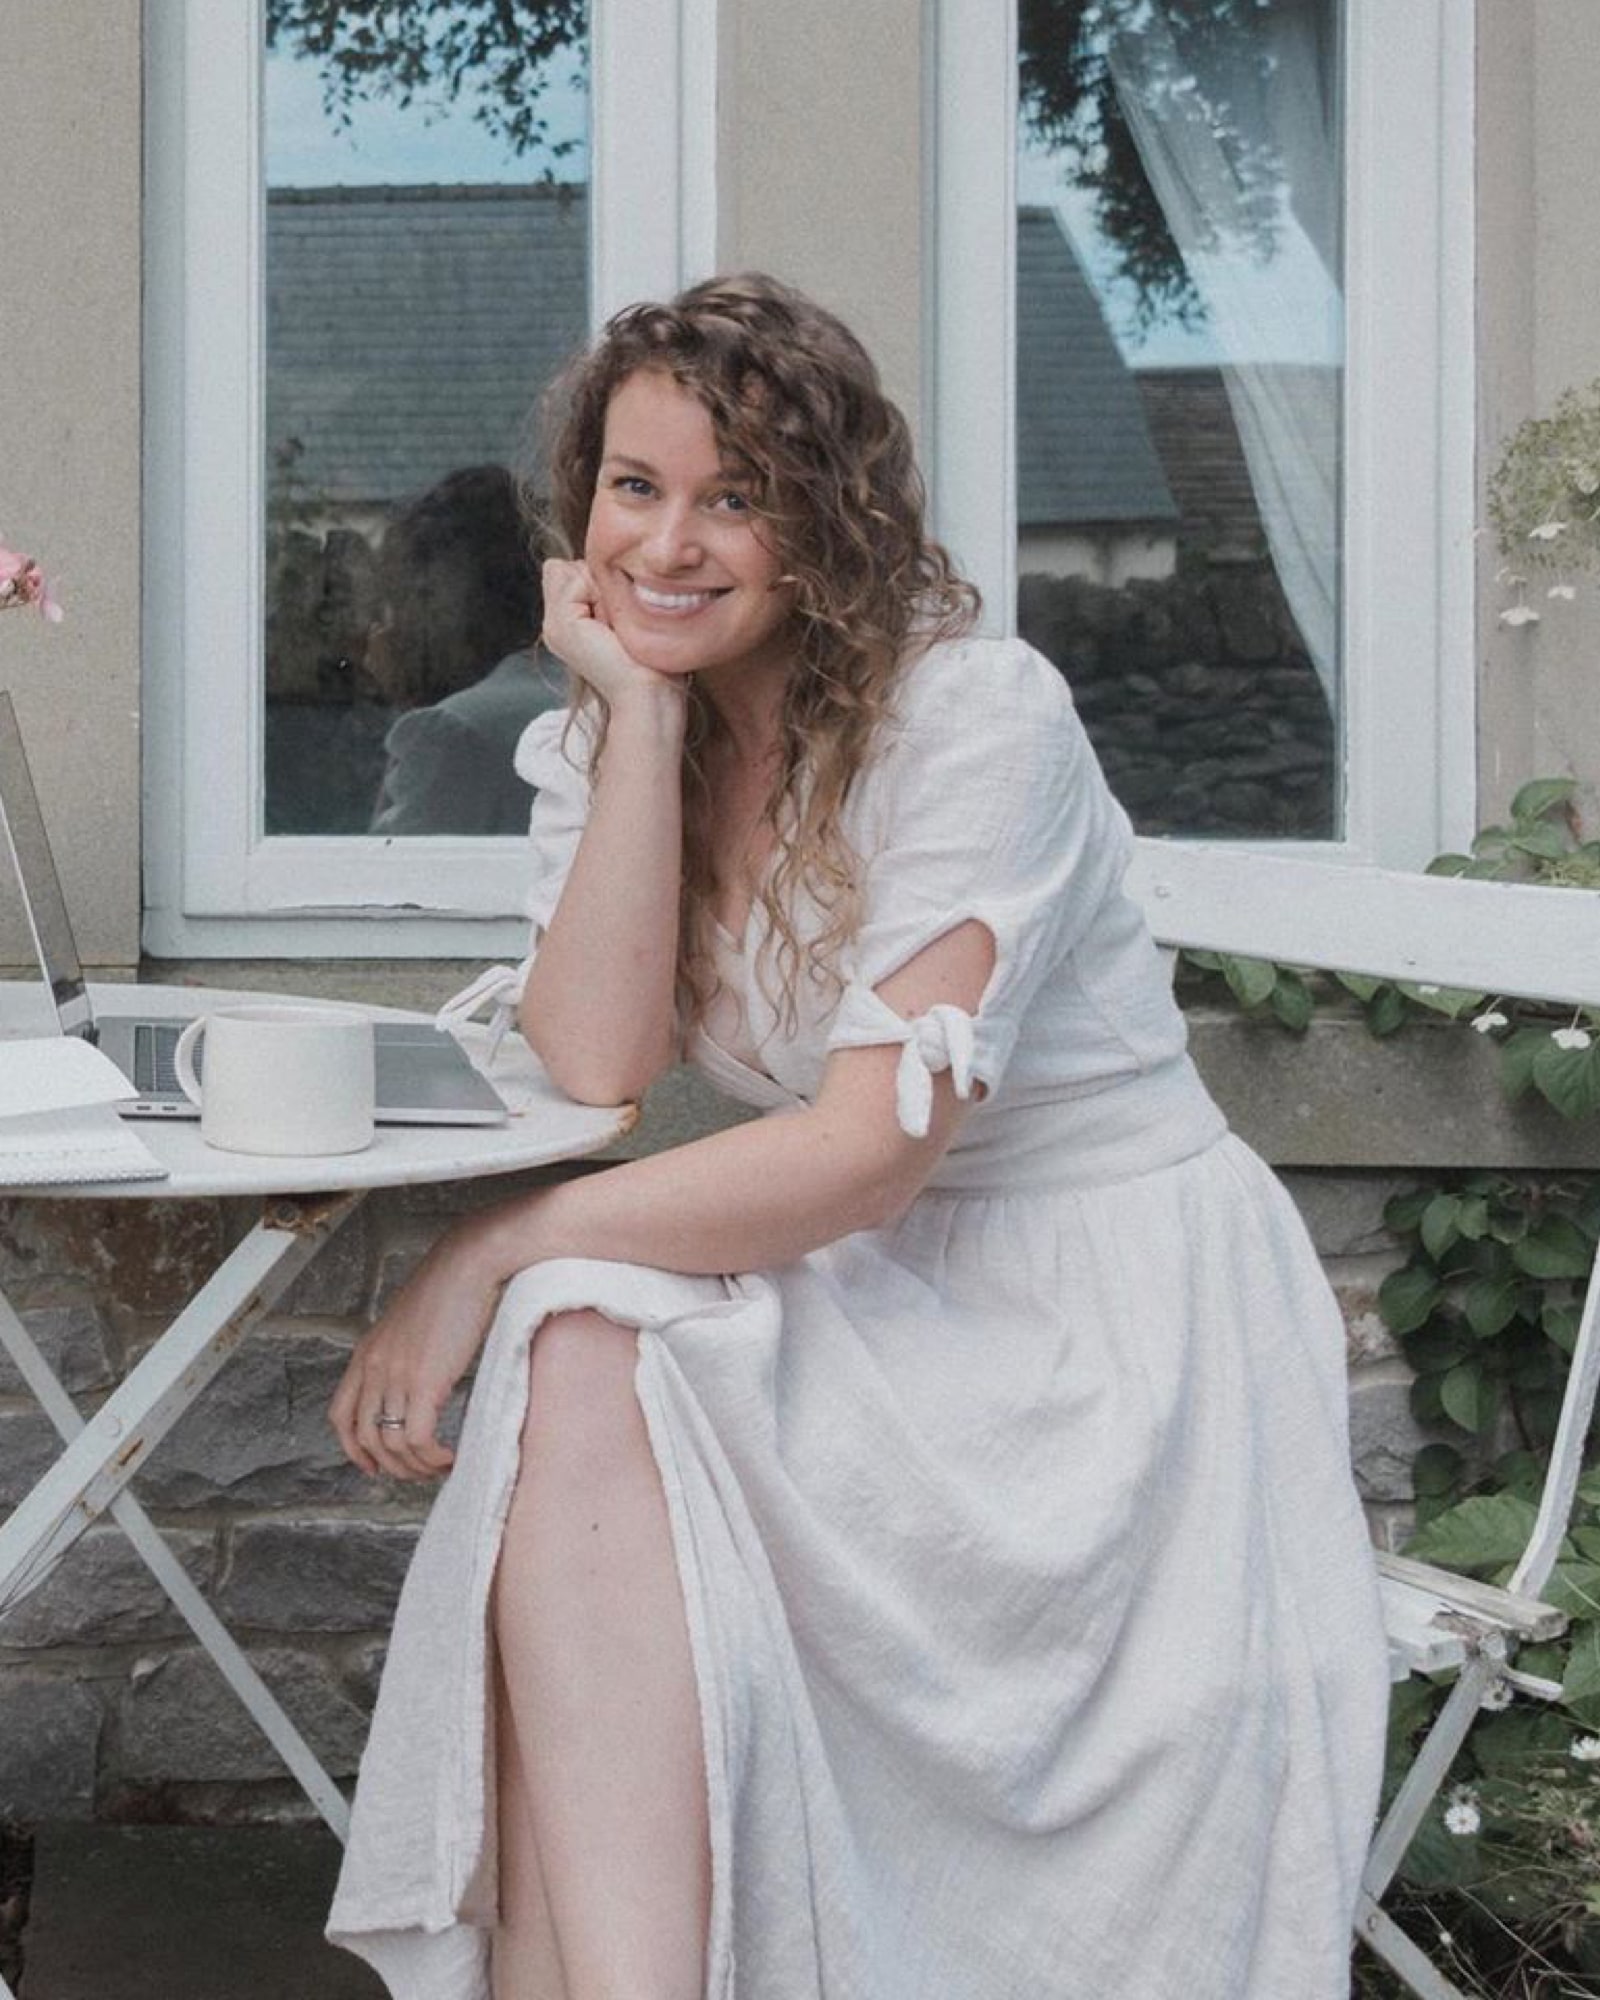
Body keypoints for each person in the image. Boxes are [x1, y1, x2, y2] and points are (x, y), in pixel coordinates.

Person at [326, 274, 1389, 2000]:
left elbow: (868, 1152)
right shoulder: (623, 727)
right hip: (871, 1289)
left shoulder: (972, 716)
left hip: (1089, 1327)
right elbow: (598, 1055)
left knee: (556, 1302)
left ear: (827, 519)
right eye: (634, 488)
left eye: (735, 496)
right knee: (581, 1343)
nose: (670, 544)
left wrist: (490, 1245)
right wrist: (643, 722)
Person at [366, 465, 565, 837]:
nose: (390, 629)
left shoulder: (453, 732)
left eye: (396, 601)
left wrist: (410, 699)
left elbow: (383, 867)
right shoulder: (580, 691)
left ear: (433, 597)